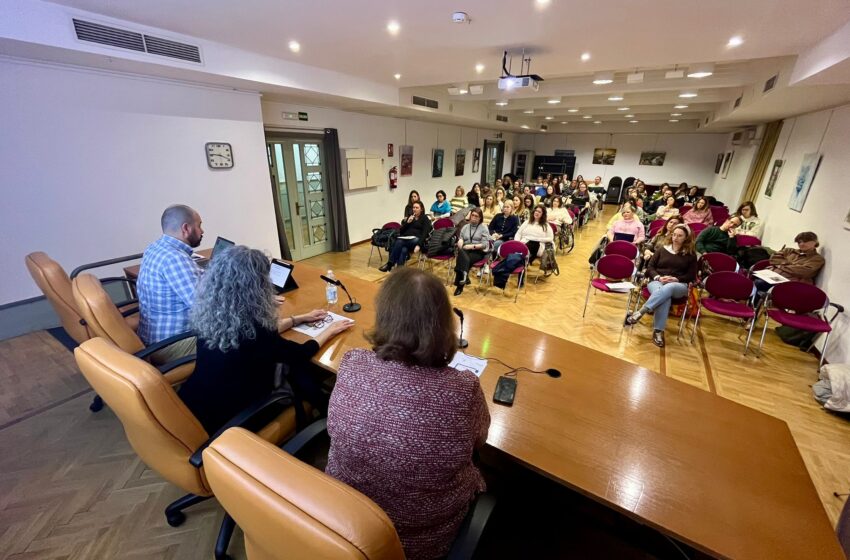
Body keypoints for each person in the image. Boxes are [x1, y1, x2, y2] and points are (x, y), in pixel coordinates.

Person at [326, 267, 490, 560]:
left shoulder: (352, 362)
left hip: (346, 520)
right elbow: (480, 440)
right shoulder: (463, 390)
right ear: (444, 323)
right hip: (419, 542)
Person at [179, 246, 353, 434]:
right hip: (235, 419)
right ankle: (329, 418)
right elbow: (300, 353)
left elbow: (260, 337)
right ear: (256, 286)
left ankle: (324, 410)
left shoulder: (212, 317)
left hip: (195, 405)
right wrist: (329, 330)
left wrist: (298, 319)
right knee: (300, 368)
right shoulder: (256, 333)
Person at [137, 204, 204, 364]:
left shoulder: (155, 248)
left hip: (151, 336)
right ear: (186, 228)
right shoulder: (175, 259)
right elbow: (205, 307)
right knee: (244, 336)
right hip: (172, 344)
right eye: (199, 225)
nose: (202, 231)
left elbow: (193, 279)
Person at [626, 224, 698, 348]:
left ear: (686, 238)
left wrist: (676, 279)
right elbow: (650, 268)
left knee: (669, 288)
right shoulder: (662, 249)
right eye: (674, 235)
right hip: (657, 281)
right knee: (665, 298)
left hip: (678, 285)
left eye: (680, 236)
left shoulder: (691, 255)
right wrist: (658, 277)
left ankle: (641, 311)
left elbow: (691, 276)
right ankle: (658, 332)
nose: (675, 238)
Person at [380, 201, 431, 272]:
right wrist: (407, 223)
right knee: (403, 249)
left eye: (417, 208)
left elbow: (425, 233)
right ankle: (399, 271)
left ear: (421, 209)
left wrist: (419, 245)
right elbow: (401, 231)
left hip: (417, 240)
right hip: (406, 239)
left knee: (399, 242)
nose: (414, 209)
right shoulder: (410, 217)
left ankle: (390, 264)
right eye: (413, 207)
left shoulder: (425, 218)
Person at [453, 208, 490, 296]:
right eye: (472, 215)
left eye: (476, 216)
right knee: (463, 254)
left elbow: (485, 244)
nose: (473, 217)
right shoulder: (465, 227)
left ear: (480, 218)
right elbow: (461, 237)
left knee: (462, 258)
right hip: (465, 250)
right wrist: (460, 241)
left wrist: (472, 246)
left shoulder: (484, 228)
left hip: (478, 251)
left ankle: (459, 286)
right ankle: (464, 276)